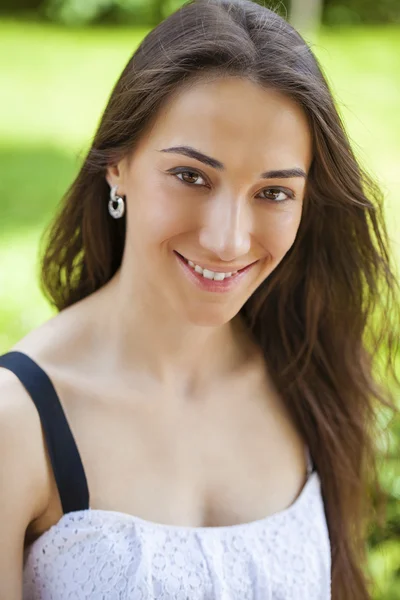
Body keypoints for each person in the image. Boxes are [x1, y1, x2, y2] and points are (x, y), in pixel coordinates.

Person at [0, 0, 398, 598]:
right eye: (191, 176)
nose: (228, 239)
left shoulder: (306, 371)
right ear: (117, 164)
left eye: (273, 192)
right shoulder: (19, 424)